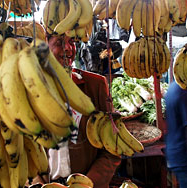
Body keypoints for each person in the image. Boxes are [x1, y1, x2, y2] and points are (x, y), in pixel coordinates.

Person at [32, 34, 121, 188]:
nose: (68, 48)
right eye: (59, 42)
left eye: (71, 42)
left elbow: (113, 147)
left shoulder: (95, 86)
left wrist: (88, 184)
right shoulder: (30, 92)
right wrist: (38, 184)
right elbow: (23, 151)